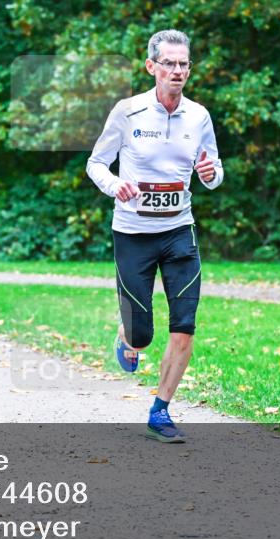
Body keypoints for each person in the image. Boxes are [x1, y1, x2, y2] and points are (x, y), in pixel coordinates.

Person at [86, 29, 224, 443]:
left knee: (184, 326)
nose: (178, 71)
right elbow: (96, 163)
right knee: (141, 335)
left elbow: (214, 171)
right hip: (133, 233)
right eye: (170, 63)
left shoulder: (198, 116)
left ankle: (160, 411)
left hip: (179, 231)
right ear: (152, 67)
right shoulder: (127, 112)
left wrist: (210, 174)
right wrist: (116, 186)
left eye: (184, 64)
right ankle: (126, 333)